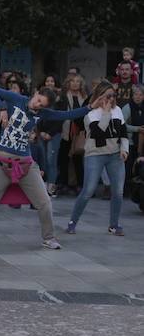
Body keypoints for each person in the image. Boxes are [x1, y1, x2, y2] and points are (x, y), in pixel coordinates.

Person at [0, 84, 101, 249]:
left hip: (25, 164)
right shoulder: (17, 99)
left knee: (44, 202)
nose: (37, 105)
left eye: (41, 104)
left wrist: (90, 107)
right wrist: (2, 107)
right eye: (38, 100)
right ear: (35, 93)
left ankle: (49, 238)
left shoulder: (43, 114)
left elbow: (67, 114)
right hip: (1, 163)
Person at [66, 82, 128, 236]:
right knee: (88, 190)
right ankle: (72, 222)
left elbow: (124, 133)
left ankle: (114, 225)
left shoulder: (118, 110)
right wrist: (106, 112)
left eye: (113, 95)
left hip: (115, 155)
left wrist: (124, 149)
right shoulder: (91, 114)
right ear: (99, 96)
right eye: (108, 96)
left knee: (118, 191)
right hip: (95, 154)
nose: (111, 99)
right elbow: (98, 133)